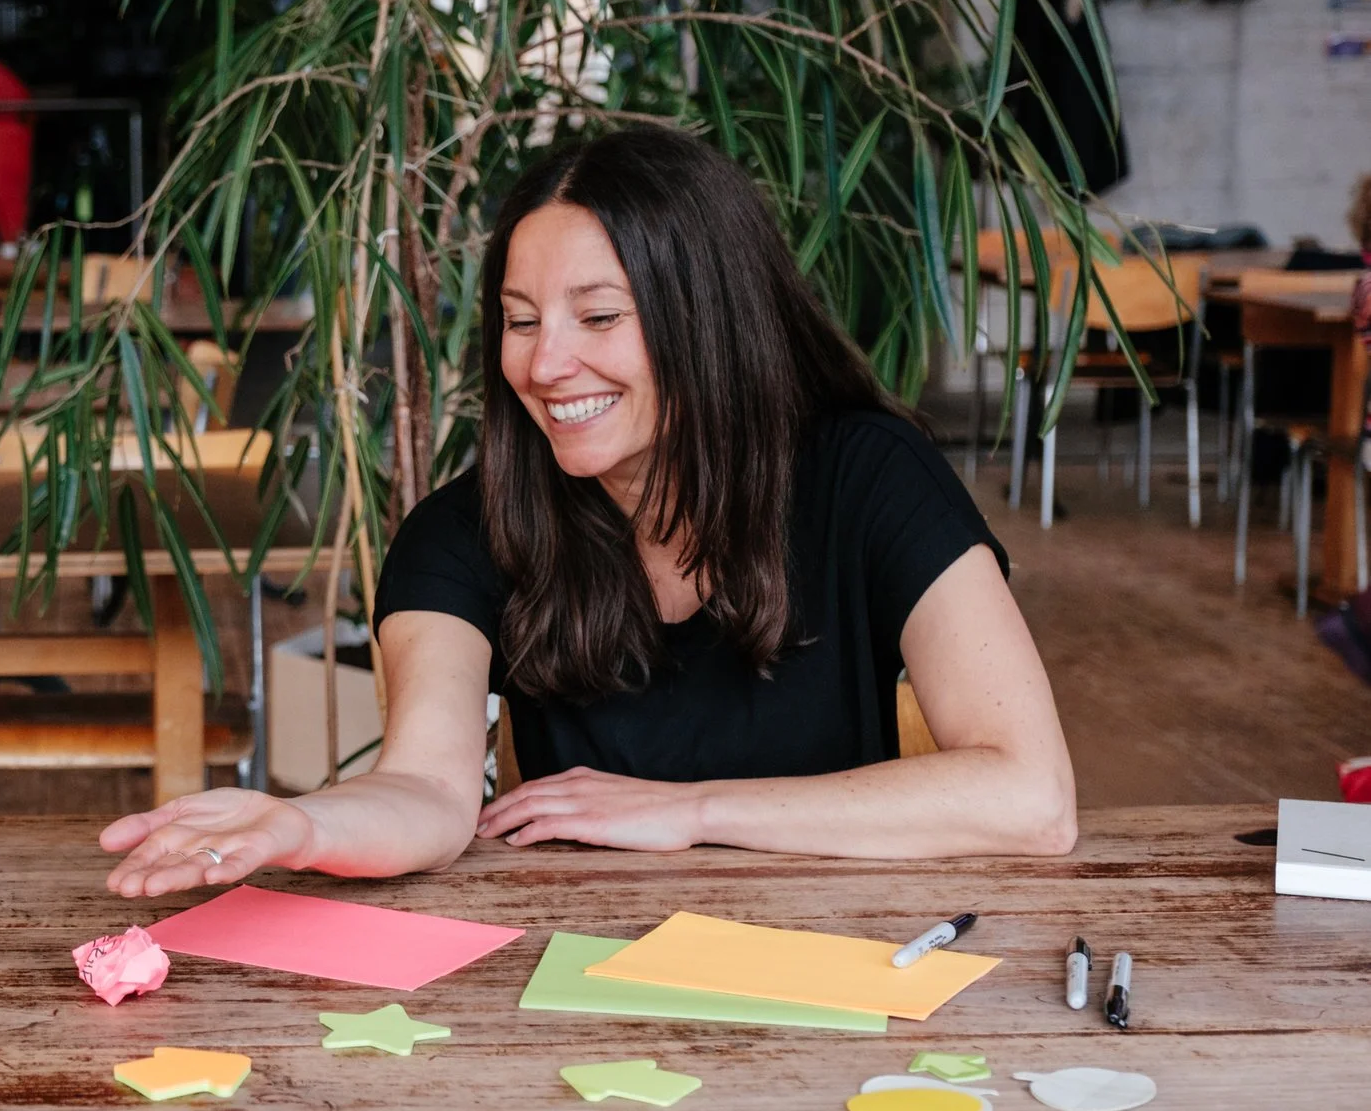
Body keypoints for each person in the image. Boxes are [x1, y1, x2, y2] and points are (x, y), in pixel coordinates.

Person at [102, 125, 1076, 896]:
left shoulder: (867, 475)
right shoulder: (468, 530)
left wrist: (692, 810)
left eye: (598, 316)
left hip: (845, 959)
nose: (544, 361)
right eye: (521, 320)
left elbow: (1030, 797)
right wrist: (306, 823)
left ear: (706, 314)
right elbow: (429, 790)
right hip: (579, 973)